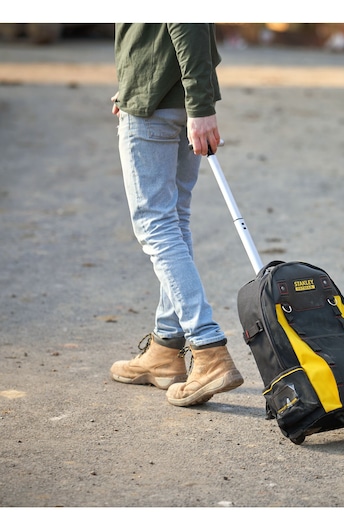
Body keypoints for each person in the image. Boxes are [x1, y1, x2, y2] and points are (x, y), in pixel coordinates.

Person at [109, 23, 243, 407]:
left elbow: (188, 21)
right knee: (174, 223)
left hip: (162, 107)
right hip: (163, 98)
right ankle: (166, 350)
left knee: (157, 226)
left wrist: (201, 106)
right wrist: (132, 84)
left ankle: (208, 349)